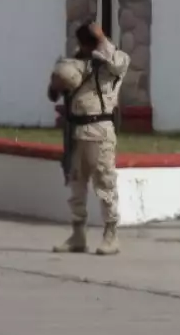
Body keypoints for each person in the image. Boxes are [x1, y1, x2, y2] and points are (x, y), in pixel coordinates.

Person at [48, 22, 131, 256]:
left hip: (99, 130)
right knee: (76, 185)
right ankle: (78, 235)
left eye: (87, 43)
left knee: (105, 184)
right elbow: (53, 93)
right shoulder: (74, 65)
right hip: (76, 131)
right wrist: (55, 84)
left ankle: (111, 234)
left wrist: (101, 38)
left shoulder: (115, 61)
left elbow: (116, 62)